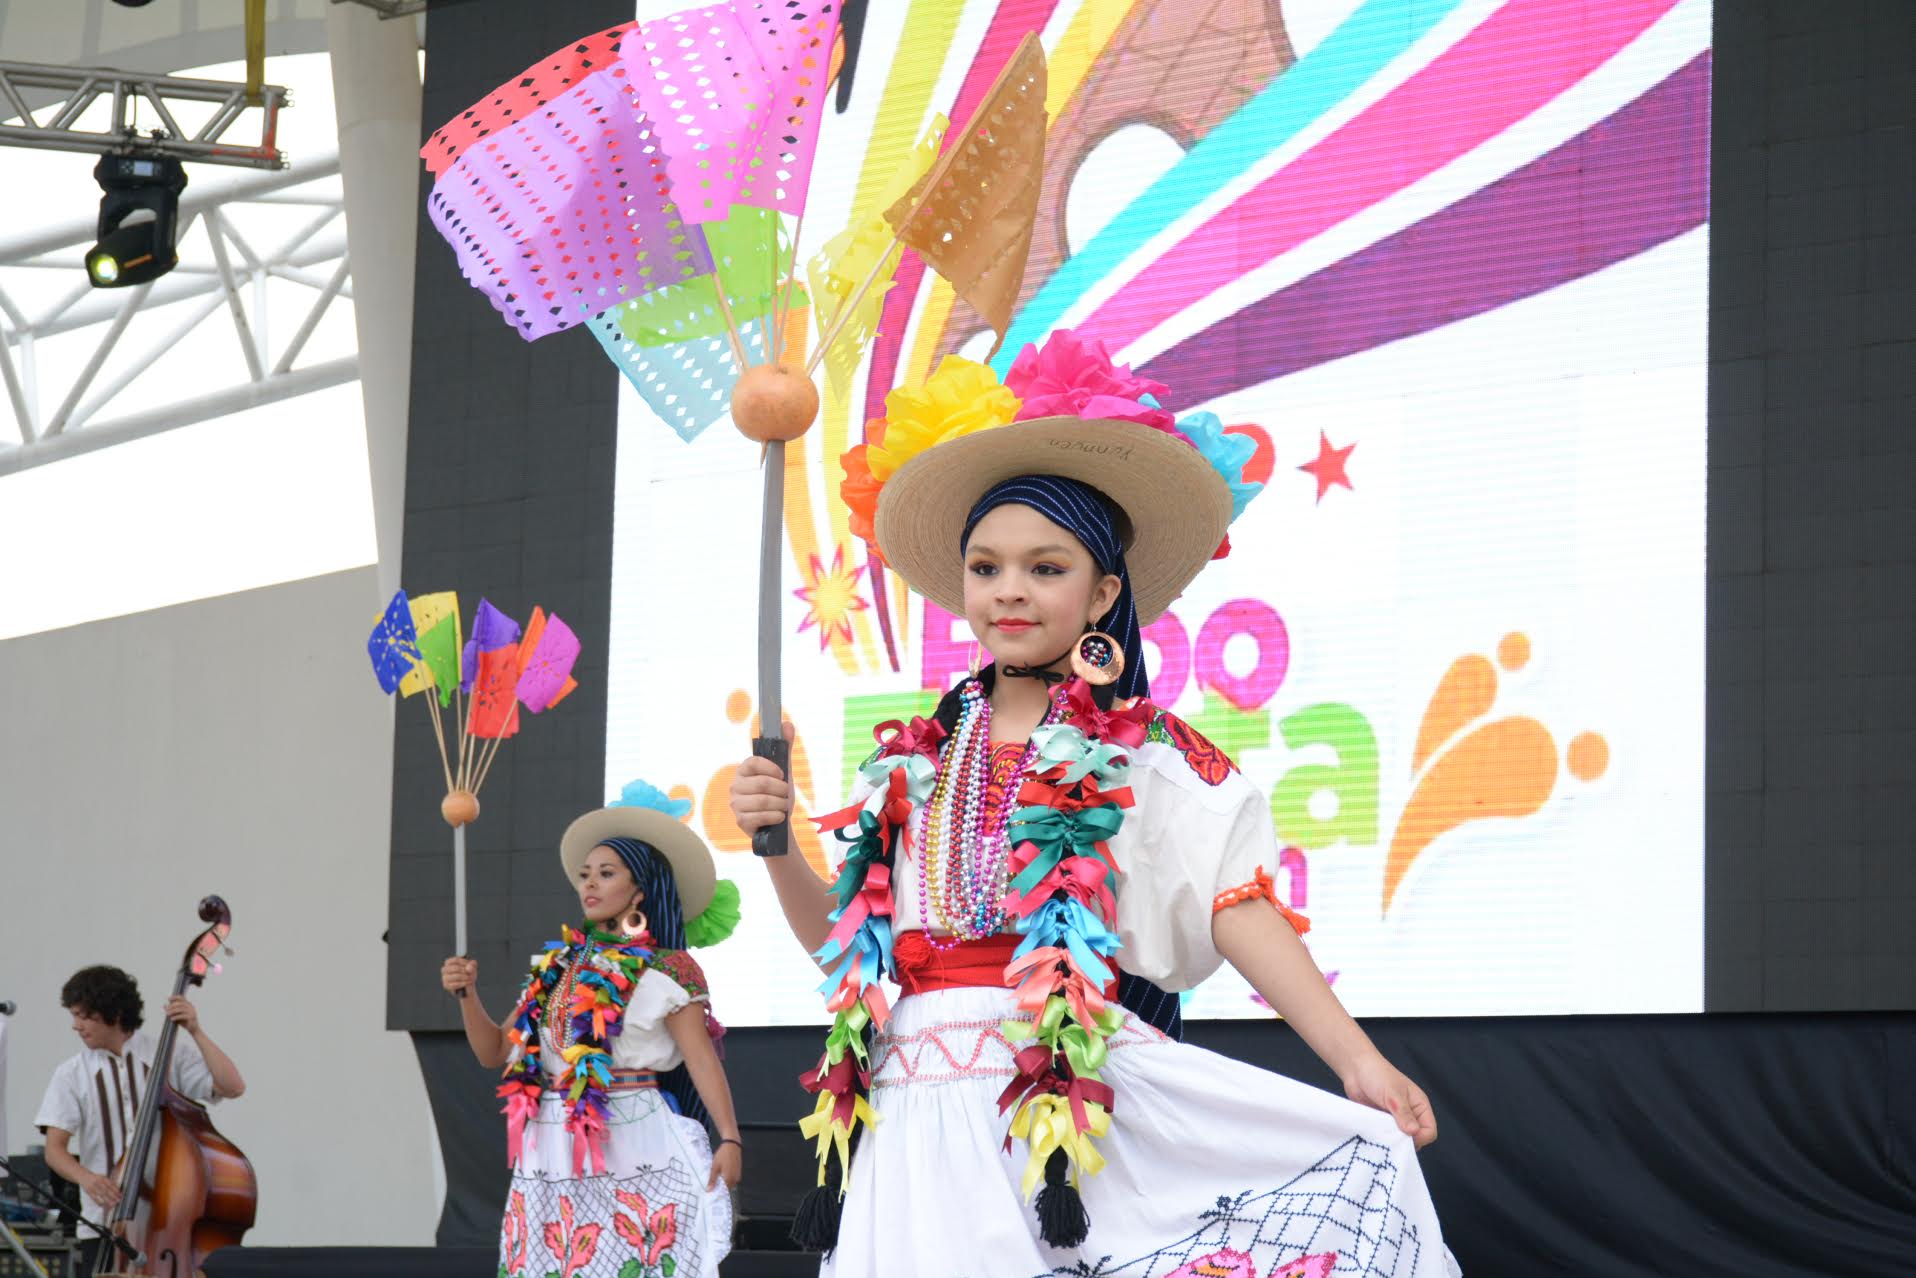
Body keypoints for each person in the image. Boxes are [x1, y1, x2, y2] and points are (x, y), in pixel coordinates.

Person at [729, 331, 1458, 1277]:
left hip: (1052, 1106)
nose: (1010, 592)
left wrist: (1356, 1059)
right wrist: (779, 841)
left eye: (1046, 566)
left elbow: (1235, 907)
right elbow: (842, 943)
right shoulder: (912, 763)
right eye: (986, 568)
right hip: (908, 1117)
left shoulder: (1142, 755)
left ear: (1103, 590)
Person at [443, 780, 744, 1278]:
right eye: (585, 875)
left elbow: (701, 1059)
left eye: (606, 874)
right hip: (550, 1150)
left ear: (639, 889)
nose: (590, 884)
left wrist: (730, 1139)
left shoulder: (667, 970)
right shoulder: (555, 966)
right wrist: (467, 995)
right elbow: (493, 1051)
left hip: (635, 1139)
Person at [35, 965, 246, 1278]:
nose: (76, 1026)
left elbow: (232, 1086)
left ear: (114, 1013)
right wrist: (88, 1179)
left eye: (83, 1016)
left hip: (167, 1223)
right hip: (102, 1226)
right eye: (74, 1015)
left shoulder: (168, 1052)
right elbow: (55, 1150)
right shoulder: (71, 1073)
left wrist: (195, 1031)